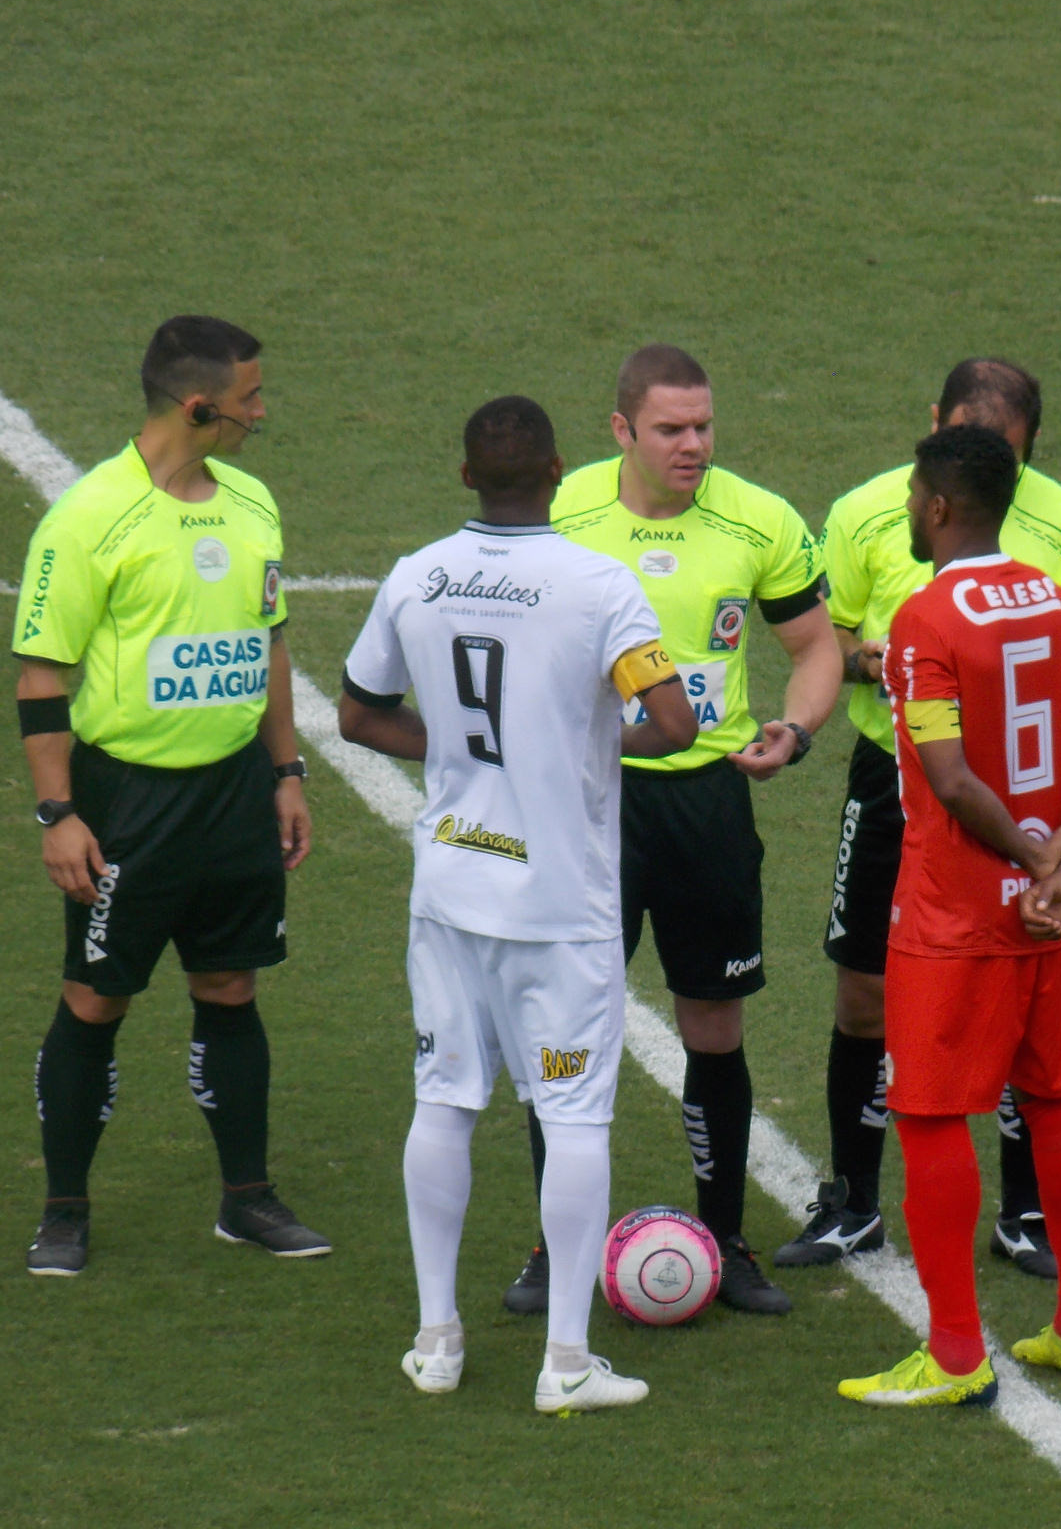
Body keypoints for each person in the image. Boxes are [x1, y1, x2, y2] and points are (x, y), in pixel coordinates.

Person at [338, 395, 696, 1413]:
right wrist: (579, 749)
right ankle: (566, 1364)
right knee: (574, 1115)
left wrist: (450, 750)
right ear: (557, 472)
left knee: (444, 1099)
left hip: (451, 886)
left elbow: (359, 714)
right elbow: (668, 724)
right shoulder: (597, 585)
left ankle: (437, 1340)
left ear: (465, 477)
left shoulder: (415, 578)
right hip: (558, 900)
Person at [778, 359, 1061, 1278]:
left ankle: (1013, 1229)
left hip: (1007, 804)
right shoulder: (866, 516)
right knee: (864, 989)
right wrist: (1059, 865)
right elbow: (837, 639)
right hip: (905, 787)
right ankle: (855, 1202)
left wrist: (1034, 841)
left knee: (975, 1060)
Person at [501, 343, 842, 1318]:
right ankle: (551, 1245)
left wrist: (798, 728)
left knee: (714, 1023)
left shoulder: (757, 519)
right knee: (568, 1027)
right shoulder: (560, 517)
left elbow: (813, 645)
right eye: (669, 429)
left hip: (704, 802)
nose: (691, 445)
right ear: (620, 431)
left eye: (702, 427)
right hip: (587, 802)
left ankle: (727, 1241)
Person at [14, 314, 324, 1277]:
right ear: (199, 407)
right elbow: (40, 676)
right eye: (249, 400)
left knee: (231, 982)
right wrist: (59, 815)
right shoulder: (86, 519)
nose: (261, 414)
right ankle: (64, 1208)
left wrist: (284, 773)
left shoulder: (253, 504)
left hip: (233, 793)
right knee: (96, 998)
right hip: (128, 801)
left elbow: (269, 645)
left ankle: (246, 1198)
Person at [839, 426, 1061, 1407]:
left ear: (933, 507)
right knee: (1052, 1099)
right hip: (1049, 917)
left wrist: (1032, 855)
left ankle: (956, 1356)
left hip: (952, 917)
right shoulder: (1053, 603)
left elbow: (951, 779)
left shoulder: (924, 620)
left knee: (925, 1116)